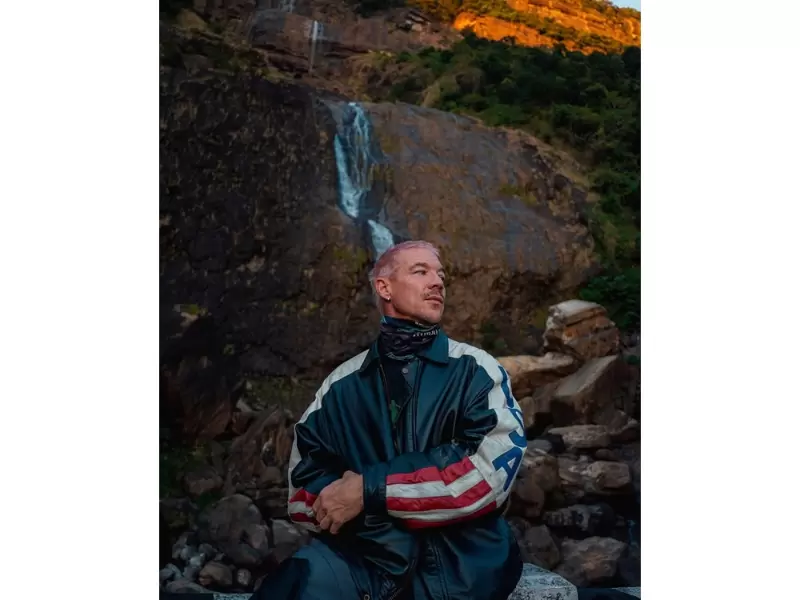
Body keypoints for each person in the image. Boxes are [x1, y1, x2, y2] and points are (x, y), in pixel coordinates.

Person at [253, 240, 527, 600]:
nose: (438, 282)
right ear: (384, 287)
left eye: (441, 275)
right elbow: (303, 491)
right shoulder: (340, 384)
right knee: (290, 584)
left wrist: (370, 489)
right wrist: (372, 518)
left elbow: (488, 476)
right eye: (421, 271)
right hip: (365, 559)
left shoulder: (476, 369)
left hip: (463, 566)